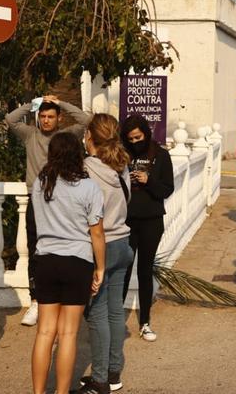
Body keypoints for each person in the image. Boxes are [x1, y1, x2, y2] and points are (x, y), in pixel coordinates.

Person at [6, 95, 92, 326]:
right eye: (42, 116)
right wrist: (37, 101)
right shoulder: (30, 134)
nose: (45, 120)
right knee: (35, 248)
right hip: (36, 200)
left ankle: (63, 300)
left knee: (63, 247)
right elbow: (11, 119)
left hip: (63, 199)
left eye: (50, 116)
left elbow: (85, 121)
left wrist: (60, 102)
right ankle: (36, 300)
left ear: (59, 118)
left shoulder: (65, 136)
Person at [30, 132, 106, 394]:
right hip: (77, 261)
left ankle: (38, 392)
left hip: (46, 261)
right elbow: (97, 233)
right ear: (78, 155)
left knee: (44, 332)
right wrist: (100, 268)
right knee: (68, 334)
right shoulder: (89, 188)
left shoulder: (40, 183)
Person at [78, 114, 135, 394]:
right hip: (123, 242)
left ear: (90, 135)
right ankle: (113, 373)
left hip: (100, 246)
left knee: (97, 314)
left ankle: (99, 380)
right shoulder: (122, 166)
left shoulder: (86, 168)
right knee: (115, 312)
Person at [120, 115, 174, 342]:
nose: (135, 143)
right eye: (130, 139)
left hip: (151, 220)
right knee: (122, 270)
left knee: (144, 271)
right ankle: (115, 322)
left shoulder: (160, 155)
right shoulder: (122, 155)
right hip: (126, 221)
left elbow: (166, 189)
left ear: (146, 133)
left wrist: (147, 180)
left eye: (138, 138)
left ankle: (145, 322)